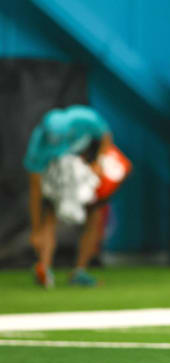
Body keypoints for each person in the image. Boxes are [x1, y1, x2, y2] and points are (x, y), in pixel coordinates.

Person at [24, 105, 114, 288]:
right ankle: (45, 268)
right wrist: (35, 229)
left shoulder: (85, 118)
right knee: (50, 215)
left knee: (94, 215)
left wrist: (99, 162)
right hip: (58, 177)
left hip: (86, 168)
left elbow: (106, 137)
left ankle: (79, 271)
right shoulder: (38, 147)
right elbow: (35, 190)